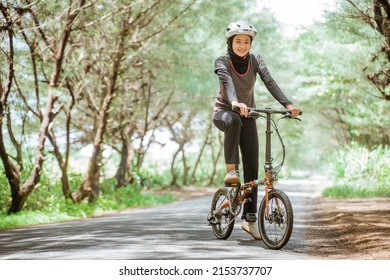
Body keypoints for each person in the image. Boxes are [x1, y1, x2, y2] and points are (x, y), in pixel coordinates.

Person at [212, 20, 300, 240]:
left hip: (248, 114)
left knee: (252, 168)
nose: (242, 45)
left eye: (246, 41)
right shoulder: (222, 62)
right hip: (224, 112)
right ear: (230, 42)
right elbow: (228, 84)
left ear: (251, 43)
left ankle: (251, 221)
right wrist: (234, 102)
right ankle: (231, 170)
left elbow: (269, 81)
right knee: (233, 119)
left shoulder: (255, 60)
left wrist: (288, 105)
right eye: (238, 41)